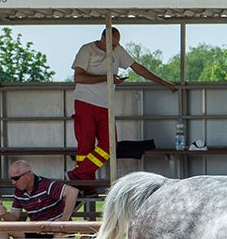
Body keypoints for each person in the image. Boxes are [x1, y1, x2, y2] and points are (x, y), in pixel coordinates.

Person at [67, 27, 177, 183]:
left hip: (106, 106)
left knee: (109, 145)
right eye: (111, 45)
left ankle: (78, 175)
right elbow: (79, 77)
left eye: (116, 45)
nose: (114, 48)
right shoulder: (87, 50)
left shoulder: (118, 50)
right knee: (85, 147)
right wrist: (107, 78)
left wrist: (163, 82)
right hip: (85, 103)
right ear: (103, 38)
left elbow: (138, 68)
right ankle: (85, 184)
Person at [0, 160, 79, 239]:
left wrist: (64, 218)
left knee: (60, 230)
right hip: (38, 232)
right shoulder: (19, 191)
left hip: (58, 232)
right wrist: (5, 214)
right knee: (2, 227)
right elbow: (14, 217)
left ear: (28, 175)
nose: (13, 182)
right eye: (12, 179)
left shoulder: (46, 185)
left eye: (16, 178)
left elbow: (72, 191)